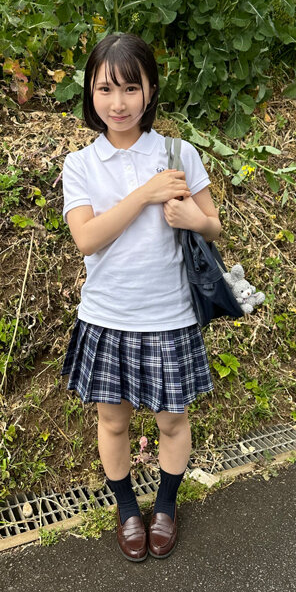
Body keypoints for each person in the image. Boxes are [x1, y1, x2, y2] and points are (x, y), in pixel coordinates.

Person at [60, 32, 222, 561]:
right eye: (105, 89)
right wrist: (146, 194)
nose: (119, 102)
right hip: (107, 317)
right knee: (113, 422)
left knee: (173, 421)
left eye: (131, 88)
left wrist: (193, 218)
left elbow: (214, 225)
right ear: (90, 92)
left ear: (150, 90)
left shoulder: (178, 153)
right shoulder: (81, 165)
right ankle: (128, 509)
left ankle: (166, 506)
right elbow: (87, 238)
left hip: (169, 315)